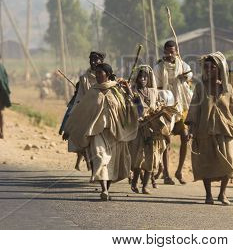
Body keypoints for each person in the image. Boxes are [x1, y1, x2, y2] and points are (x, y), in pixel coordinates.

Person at [62, 63, 139, 201]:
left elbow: (131, 105)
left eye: (100, 73)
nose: (97, 76)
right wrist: (69, 129)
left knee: (112, 163)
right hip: (97, 133)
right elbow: (80, 112)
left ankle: (107, 189)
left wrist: (128, 90)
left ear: (107, 74)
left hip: (115, 133)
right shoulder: (93, 91)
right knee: (100, 158)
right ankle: (103, 190)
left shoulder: (117, 90)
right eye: (96, 73)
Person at [185, 52, 233, 205]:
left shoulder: (228, 89)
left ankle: (222, 194)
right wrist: (191, 130)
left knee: (230, 160)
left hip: (226, 131)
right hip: (205, 131)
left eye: (213, 67)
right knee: (207, 162)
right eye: (207, 67)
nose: (210, 69)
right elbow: (194, 110)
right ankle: (209, 195)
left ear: (220, 69)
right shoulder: (200, 87)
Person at [153, 40, 193, 185]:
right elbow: (156, 87)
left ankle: (179, 171)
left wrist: (184, 77)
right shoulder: (158, 67)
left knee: (185, 137)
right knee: (166, 139)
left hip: (180, 106)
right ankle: (166, 173)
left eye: (173, 51)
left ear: (177, 51)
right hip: (165, 108)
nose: (170, 53)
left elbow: (190, 76)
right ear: (164, 51)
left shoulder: (183, 65)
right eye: (168, 51)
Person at [62, 51, 105, 171]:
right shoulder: (84, 79)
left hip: (105, 115)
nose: (93, 61)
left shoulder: (108, 77)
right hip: (88, 114)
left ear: (101, 61)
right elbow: (79, 99)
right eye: (91, 59)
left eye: (96, 59)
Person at [129, 65, 169, 194]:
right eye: (141, 76)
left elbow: (159, 104)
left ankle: (145, 186)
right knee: (137, 157)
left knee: (151, 157)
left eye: (145, 77)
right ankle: (135, 182)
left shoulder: (153, 92)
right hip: (138, 129)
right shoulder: (133, 92)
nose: (143, 79)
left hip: (152, 129)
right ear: (136, 77)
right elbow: (137, 109)